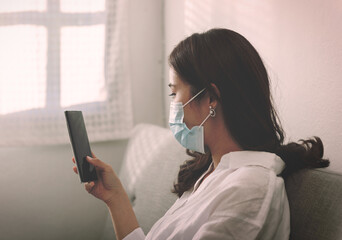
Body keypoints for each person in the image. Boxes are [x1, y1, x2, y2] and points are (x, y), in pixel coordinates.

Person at [71, 28, 329, 240]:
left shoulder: (250, 189)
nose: (172, 104)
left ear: (211, 98)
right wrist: (115, 197)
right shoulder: (212, 173)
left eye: (175, 93)